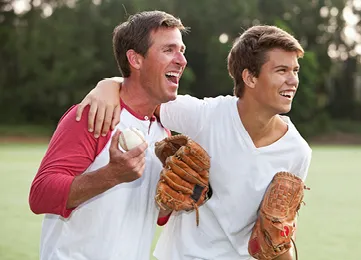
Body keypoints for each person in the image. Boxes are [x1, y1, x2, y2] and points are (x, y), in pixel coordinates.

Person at [77, 25, 312, 260]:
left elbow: (279, 233)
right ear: (249, 77)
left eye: (295, 70)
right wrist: (108, 84)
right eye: (282, 70)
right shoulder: (205, 115)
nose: (293, 80)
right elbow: (142, 92)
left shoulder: (297, 152)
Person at [29, 10, 187, 260]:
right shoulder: (94, 115)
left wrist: (175, 198)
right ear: (135, 60)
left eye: (182, 50)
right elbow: (41, 195)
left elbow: (153, 213)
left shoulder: (162, 132)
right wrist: (110, 175)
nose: (181, 60)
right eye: (169, 50)